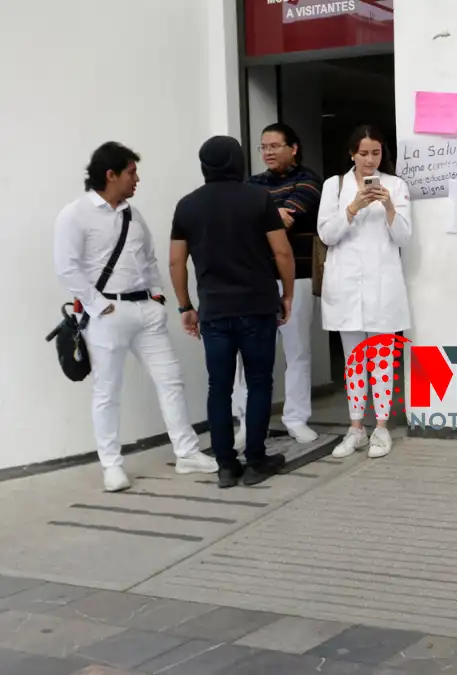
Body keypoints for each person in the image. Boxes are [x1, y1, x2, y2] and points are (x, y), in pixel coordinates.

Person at [53, 142, 219, 492]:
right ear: (110, 175)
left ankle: (186, 453)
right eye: (131, 172)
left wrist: (157, 297)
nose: (137, 179)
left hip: (145, 311)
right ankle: (111, 466)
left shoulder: (132, 213)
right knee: (107, 391)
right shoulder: (75, 214)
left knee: (171, 380)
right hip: (106, 314)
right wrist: (100, 307)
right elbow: (67, 270)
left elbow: (148, 260)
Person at [169, 136, 294, 488]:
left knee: (218, 387)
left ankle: (225, 465)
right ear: (238, 162)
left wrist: (185, 306)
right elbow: (282, 253)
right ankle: (256, 460)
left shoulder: (187, 206)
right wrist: (287, 295)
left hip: (215, 312)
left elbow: (177, 260)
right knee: (258, 383)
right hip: (257, 307)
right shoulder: (258, 199)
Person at [317, 125, 412, 460]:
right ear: (351, 154)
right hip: (345, 287)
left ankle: (381, 428)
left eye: (376, 153)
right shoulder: (335, 185)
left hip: (383, 285)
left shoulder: (396, 185)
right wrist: (354, 207)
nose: (370, 160)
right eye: (364, 153)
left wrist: (388, 208)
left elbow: (403, 237)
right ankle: (356, 427)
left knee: (383, 360)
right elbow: (327, 234)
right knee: (354, 361)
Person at [229, 123, 323, 449]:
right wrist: (265, 214)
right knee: (247, 355)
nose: (267, 152)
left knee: (297, 352)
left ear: (293, 148)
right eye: (263, 147)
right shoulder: (252, 183)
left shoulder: (308, 181)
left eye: (274, 146)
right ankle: (246, 422)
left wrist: (258, 215)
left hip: (297, 278)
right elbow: (250, 219)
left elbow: (285, 219)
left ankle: (296, 419)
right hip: (257, 280)